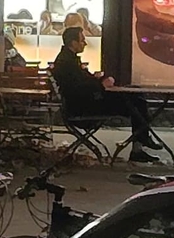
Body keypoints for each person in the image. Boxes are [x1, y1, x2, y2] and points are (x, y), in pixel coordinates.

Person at [50, 25, 166, 162]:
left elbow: (79, 83)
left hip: (84, 104)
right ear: (73, 43)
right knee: (136, 101)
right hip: (83, 109)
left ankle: (140, 143)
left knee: (135, 98)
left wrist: (97, 79)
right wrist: (100, 84)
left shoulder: (67, 59)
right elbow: (77, 89)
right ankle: (140, 143)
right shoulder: (67, 62)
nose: (85, 43)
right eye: (82, 40)